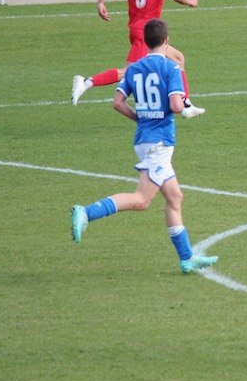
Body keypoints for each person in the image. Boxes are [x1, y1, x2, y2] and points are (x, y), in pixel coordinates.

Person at [69, 19, 217, 274]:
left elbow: (117, 103)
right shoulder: (171, 67)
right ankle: (87, 212)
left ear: (145, 42)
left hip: (144, 138)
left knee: (175, 198)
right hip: (159, 142)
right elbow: (176, 106)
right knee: (141, 200)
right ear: (167, 41)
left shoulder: (135, 68)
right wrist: (179, 104)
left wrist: (141, 118)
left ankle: (187, 258)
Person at [72, 0, 205, 119]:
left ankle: (185, 104)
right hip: (145, 33)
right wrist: (191, 2)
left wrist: (101, 3)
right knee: (128, 71)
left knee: (178, 58)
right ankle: (86, 82)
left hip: (140, 31)